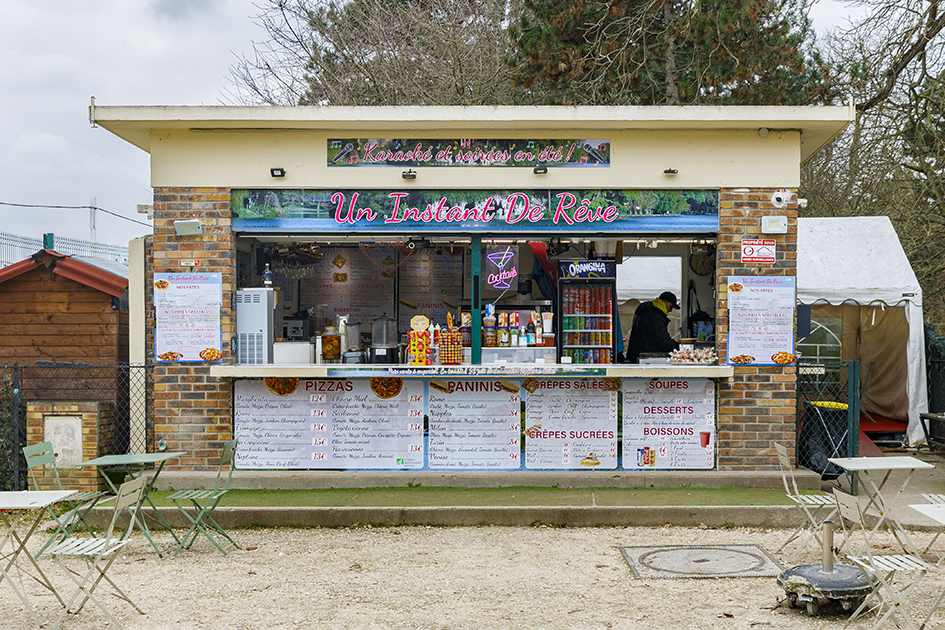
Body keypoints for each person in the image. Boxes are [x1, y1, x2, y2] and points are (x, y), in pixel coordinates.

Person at [625, 291, 680, 363]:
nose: (670, 310)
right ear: (664, 302)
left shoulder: (647, 310)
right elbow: (662, 340)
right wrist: (679, 348)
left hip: (636, 355)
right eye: (671, 306)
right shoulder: (655, 316)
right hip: (645, 358)